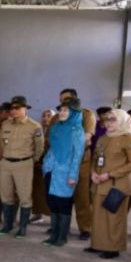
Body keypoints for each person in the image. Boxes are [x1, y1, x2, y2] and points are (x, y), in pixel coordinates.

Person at [85, 109, 131, 259]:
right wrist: (93, 173)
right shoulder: (103, 138)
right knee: (98, 217)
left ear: (122, 120)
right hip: (98, 184)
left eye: (112, 119)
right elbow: (95, 159)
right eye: (107, 119)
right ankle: (97, 244)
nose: (108, 122)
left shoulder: (129, 138)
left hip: (117, 185)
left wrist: (110, 174)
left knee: (114, 218)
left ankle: (113, 247)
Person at [51, 89, 96, 240]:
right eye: (61, 99)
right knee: (60, 197)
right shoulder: (57, 116)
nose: (63, 102)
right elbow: (51, 137)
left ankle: (85, 228)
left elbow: (86, 137)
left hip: (80, 161)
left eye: (67, 99)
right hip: (60, 162)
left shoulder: (86, 114)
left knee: (81, 196)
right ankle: (60, 228)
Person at [0, 96, 44, 238]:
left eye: (17, 108)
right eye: (12, 108)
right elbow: (2, 142)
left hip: (23, 163)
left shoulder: (34, 126)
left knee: (24, 197)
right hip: (6, 163)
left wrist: (32, 160)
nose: (14, 111)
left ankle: (22, 228)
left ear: (25, 109)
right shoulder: (6, 124)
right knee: (6, 196)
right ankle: (7, 225)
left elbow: (39, 147)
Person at [41, 98, 86, 247]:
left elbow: (77, 155)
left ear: (74, 113)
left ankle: (62, 236)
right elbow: (52, 149)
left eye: (66, 110)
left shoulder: (77, 131)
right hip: (50, 171)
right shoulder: (55, 128)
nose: (62, 112)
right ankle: (54, 234)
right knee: (52, 203)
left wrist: (73, 175)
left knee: (63, 204)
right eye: (61, 110)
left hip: (65, 173)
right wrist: (45, 167)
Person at [31, 109, 56, 224]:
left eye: (49, 116)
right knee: (36, 191)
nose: (46, 118)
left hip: (50, 167)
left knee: (50, 193)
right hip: (37, 165)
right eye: (44, 116)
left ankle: (53, 219)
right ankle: (37, 214)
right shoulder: (38, 130)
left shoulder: (56, 130)